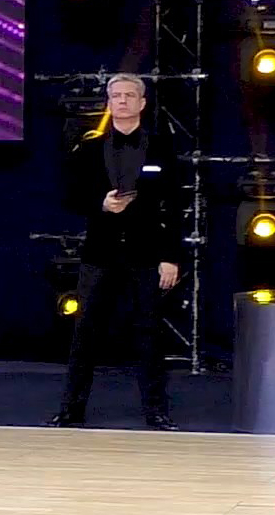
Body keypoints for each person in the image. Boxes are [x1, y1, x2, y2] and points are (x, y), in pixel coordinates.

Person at [47, 73, 184, 431]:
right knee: (85, 333)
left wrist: (170, 256)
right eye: (116, 96)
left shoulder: (161, 148)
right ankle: (71, 410)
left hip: (146, 253)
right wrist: (101, 204)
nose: (122, 101)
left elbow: (174, 205)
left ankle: (156, 411)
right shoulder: (89, 148)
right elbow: (70, 197)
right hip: (100, 253)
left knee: (149, 334)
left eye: (129, 95)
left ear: (142, 103)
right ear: (108, 103)